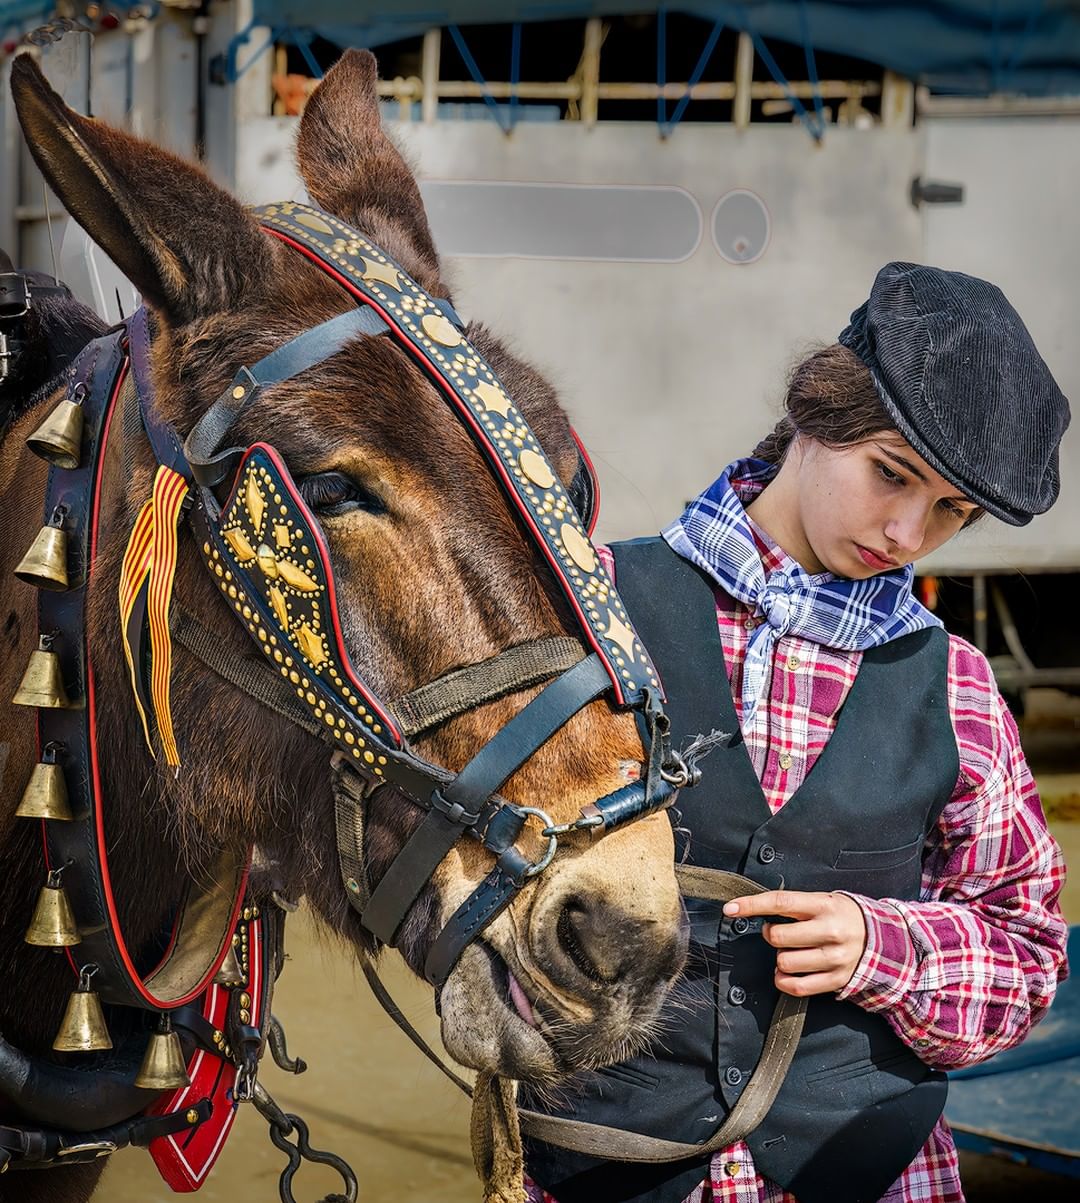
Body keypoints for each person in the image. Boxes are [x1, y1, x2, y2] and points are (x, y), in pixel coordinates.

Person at [520, 262, 1071, 1203]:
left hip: (870, 1170)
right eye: (890, 474)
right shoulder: (595, 611)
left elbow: (1028, 954)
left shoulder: (960, 689)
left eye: (950, 511)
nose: (905, 531)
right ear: (815, 414)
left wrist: (881, 945)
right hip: (609, 1166)